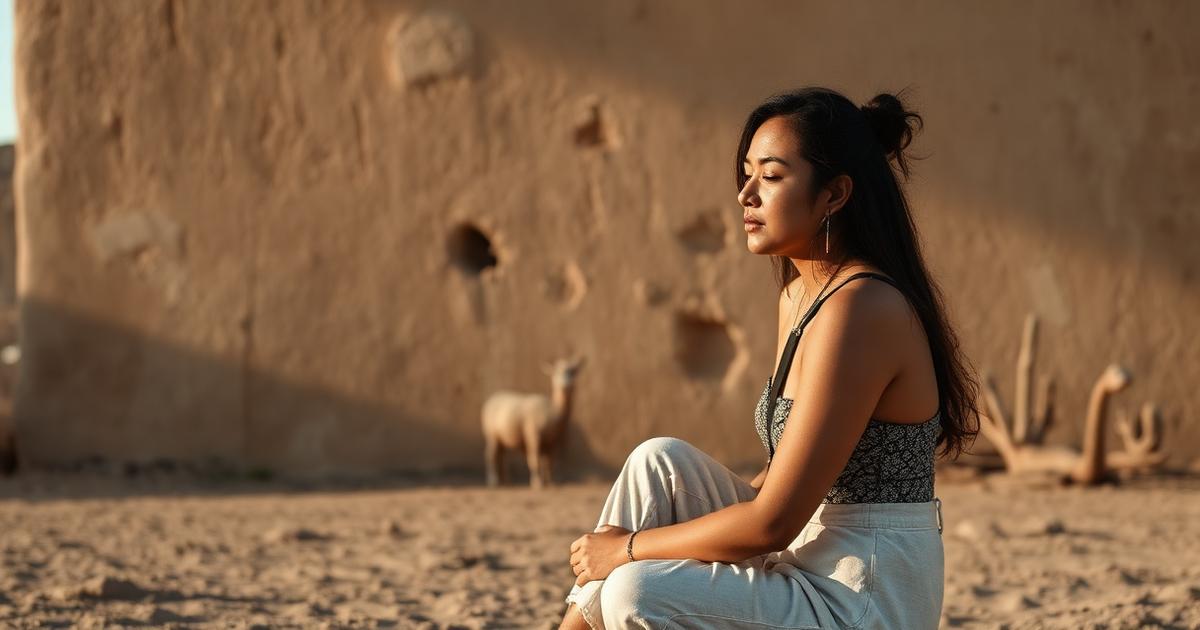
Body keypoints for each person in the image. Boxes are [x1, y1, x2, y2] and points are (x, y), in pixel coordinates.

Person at [557, 87, 980, 630]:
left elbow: (772, 523)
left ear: (834, 195)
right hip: (806, 555)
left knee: (634, 591)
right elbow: (777, 483)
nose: (745, 195)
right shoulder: (799, 297)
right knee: (657, 465)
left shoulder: (862, 309)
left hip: (862, 592)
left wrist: (628, 549)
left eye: (772, 176)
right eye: (746, 172)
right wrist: (634, 548)